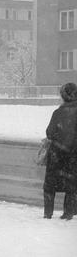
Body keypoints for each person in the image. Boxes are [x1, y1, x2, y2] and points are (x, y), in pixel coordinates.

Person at [43, 81, 77, 219]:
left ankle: (48, 214)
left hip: (57, 155)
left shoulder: (58, 113)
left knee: (50, 186)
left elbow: (50, 133)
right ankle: (68, 214)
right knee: (71, 186)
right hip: (74, 156)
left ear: (63, 96)